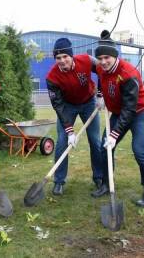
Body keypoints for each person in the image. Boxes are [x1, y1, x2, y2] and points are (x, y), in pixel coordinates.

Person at [91, 30, 144, 207]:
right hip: (119, 112)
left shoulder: (128, 74)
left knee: (139, 150)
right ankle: (106, 183)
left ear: (115, 56)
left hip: (139, 112)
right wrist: (99, 94)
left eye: (107, 58)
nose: (103, 62)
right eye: (100, 58)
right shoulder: (100, 67)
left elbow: (130, 109)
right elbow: (89, 64)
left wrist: (114, 135)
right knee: (104, 147)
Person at [46, 37, 103, 196]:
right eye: (58, 58)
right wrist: (70, 131)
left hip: (89, 103)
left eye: (65, 56)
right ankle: (58, 181)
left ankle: (99, 177)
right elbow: (58, 105)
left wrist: (100, 94)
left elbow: (103, 70)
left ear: (71, 55)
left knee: (95, 141)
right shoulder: (52, 77)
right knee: (62, 142)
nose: (62, 60)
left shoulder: (86, 60)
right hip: (67, 106)